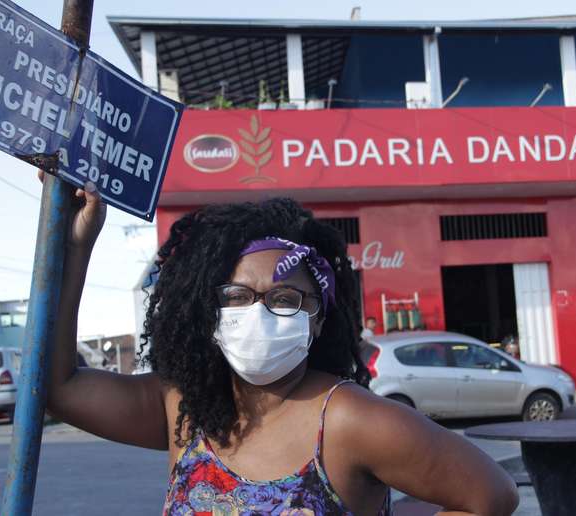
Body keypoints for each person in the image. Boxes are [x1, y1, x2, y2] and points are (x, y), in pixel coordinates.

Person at [45, 179, 518, 516]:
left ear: (317, 320)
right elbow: (60, 388)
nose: (259, 312)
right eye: (235, 296)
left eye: (285, 299)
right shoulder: (183, 408)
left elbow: (491, 496)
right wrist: (74, 250)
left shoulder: (349, 420)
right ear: (207, 312)